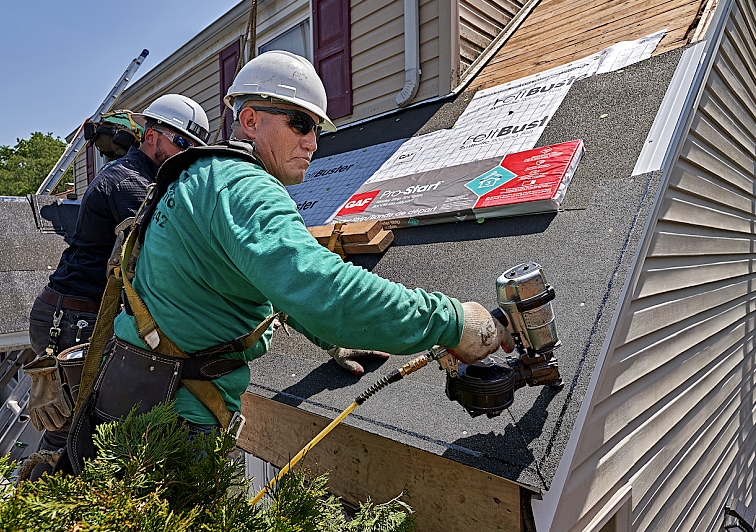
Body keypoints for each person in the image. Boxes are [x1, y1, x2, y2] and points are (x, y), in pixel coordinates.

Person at [97, 51, 513, 438]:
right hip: (177, 415)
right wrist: (453, 321)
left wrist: (329, 339)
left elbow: (259, 278)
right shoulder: (244, 188)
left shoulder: (202, 175)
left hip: (129, 386)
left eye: (316, 128)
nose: (313, 141)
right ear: (251, 120)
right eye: (300, 123)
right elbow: (320, 286)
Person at [24, 94, 210, 469]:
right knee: (69, 433)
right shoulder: (129, 182)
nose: (186, 155)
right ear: (151, 135)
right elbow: (163, 249)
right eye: (182, 143)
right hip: (74, 319)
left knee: (81, 428)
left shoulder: (148, 181)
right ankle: (39, 509)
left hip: (76, 314)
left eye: (195, 150)